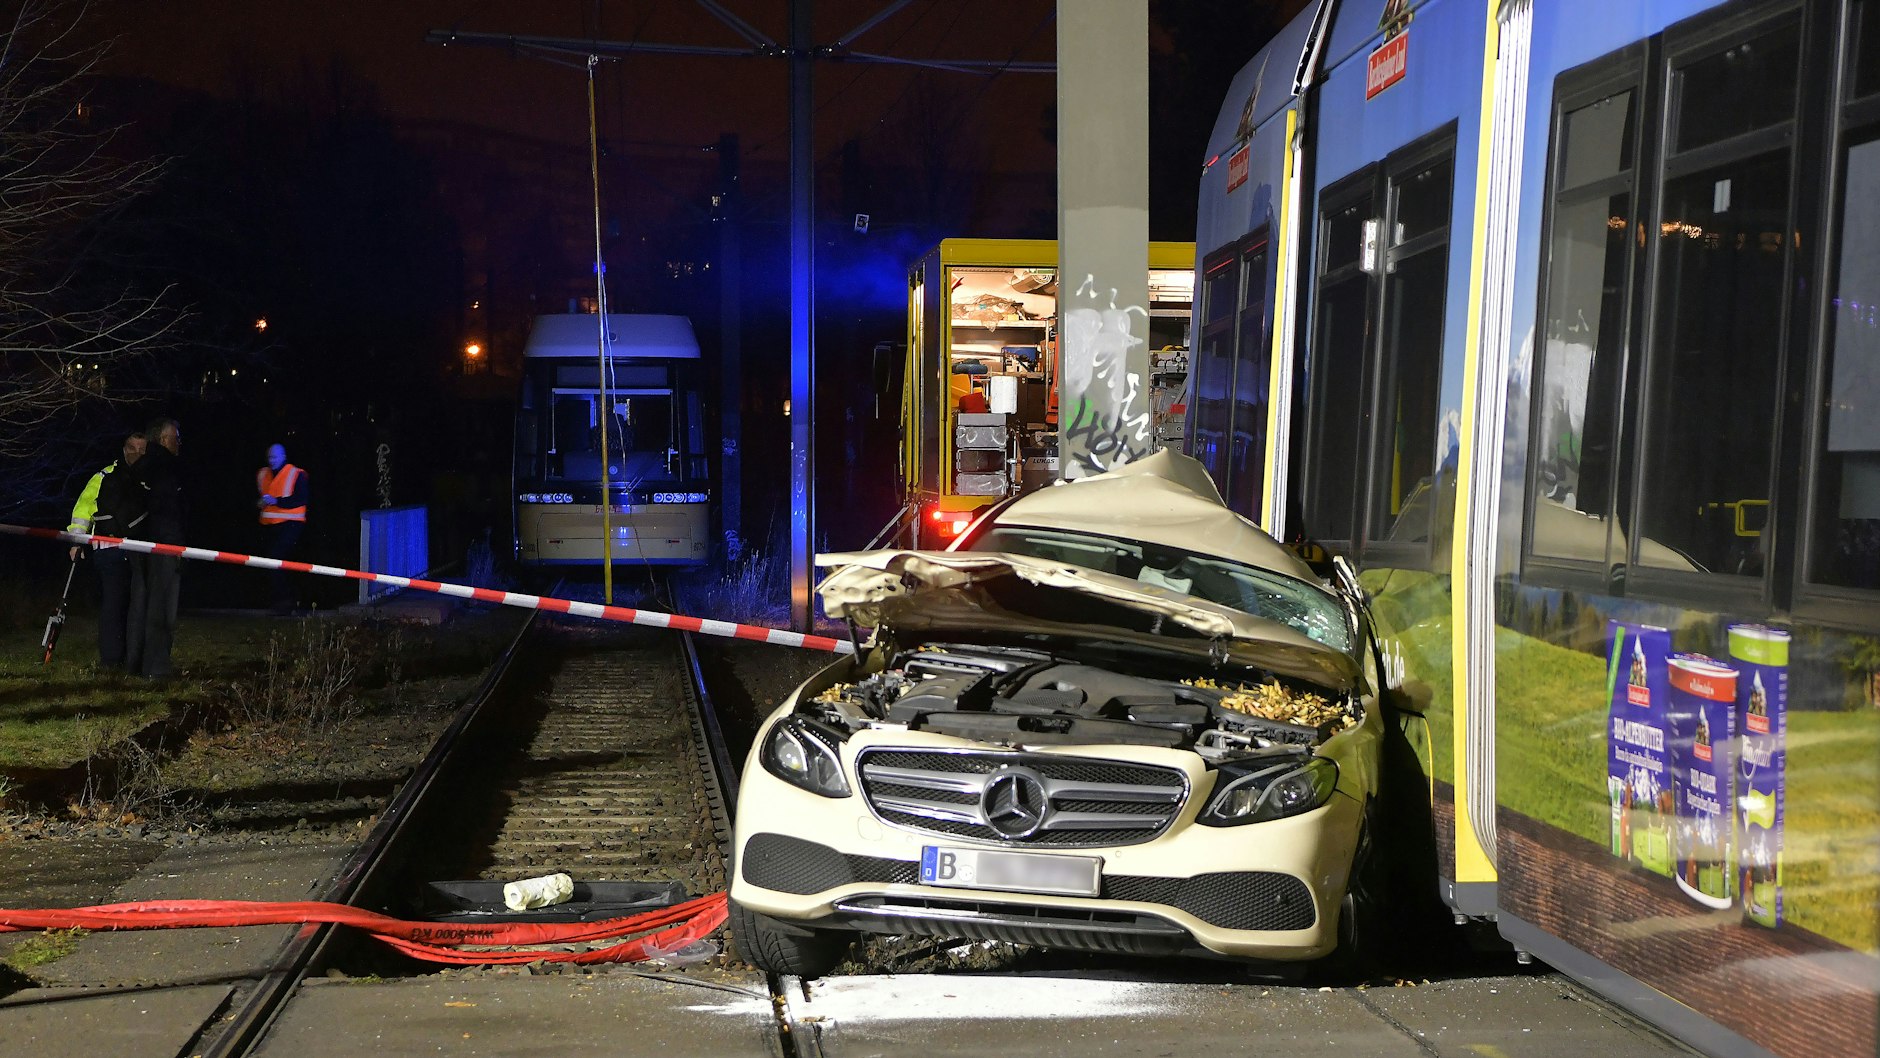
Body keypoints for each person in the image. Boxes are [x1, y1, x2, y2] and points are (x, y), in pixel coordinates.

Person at [66, 432, 147, 670]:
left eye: (141, 449)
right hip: (126, 549)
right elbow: (83, 510)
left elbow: (83, 509)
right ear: (124, 449)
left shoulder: (104, 475)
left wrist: (77, 541)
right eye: (134, 449)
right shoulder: (110, 476)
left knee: (116, 604)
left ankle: (114, 660)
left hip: (111, 548)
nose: (137, 454)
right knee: (122, 605)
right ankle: (120, 660)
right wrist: (77, 541)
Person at [127, 418, 183, 680]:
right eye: (176, 437)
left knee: (141, 605)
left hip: (140, 543)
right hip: (164, 543)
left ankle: (135, 664)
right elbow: (172, 510)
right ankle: (157, 669)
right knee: (162, 607)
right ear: (162, 439)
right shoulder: (167, 466)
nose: (179, 442)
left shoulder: (138, 466)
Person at [255, 443, 307, 614]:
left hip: (292, 525)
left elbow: (300, 499)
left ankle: (286, 603)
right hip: (269, 527)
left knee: (277, 561)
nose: (272, 461)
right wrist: (261, 503)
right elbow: (260, 500)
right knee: (273, 564)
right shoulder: (263, 474)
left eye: (275, 457)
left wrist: (277, 501)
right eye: (270, 457)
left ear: (284, 456)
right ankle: (283, 602)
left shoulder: (296, 474)